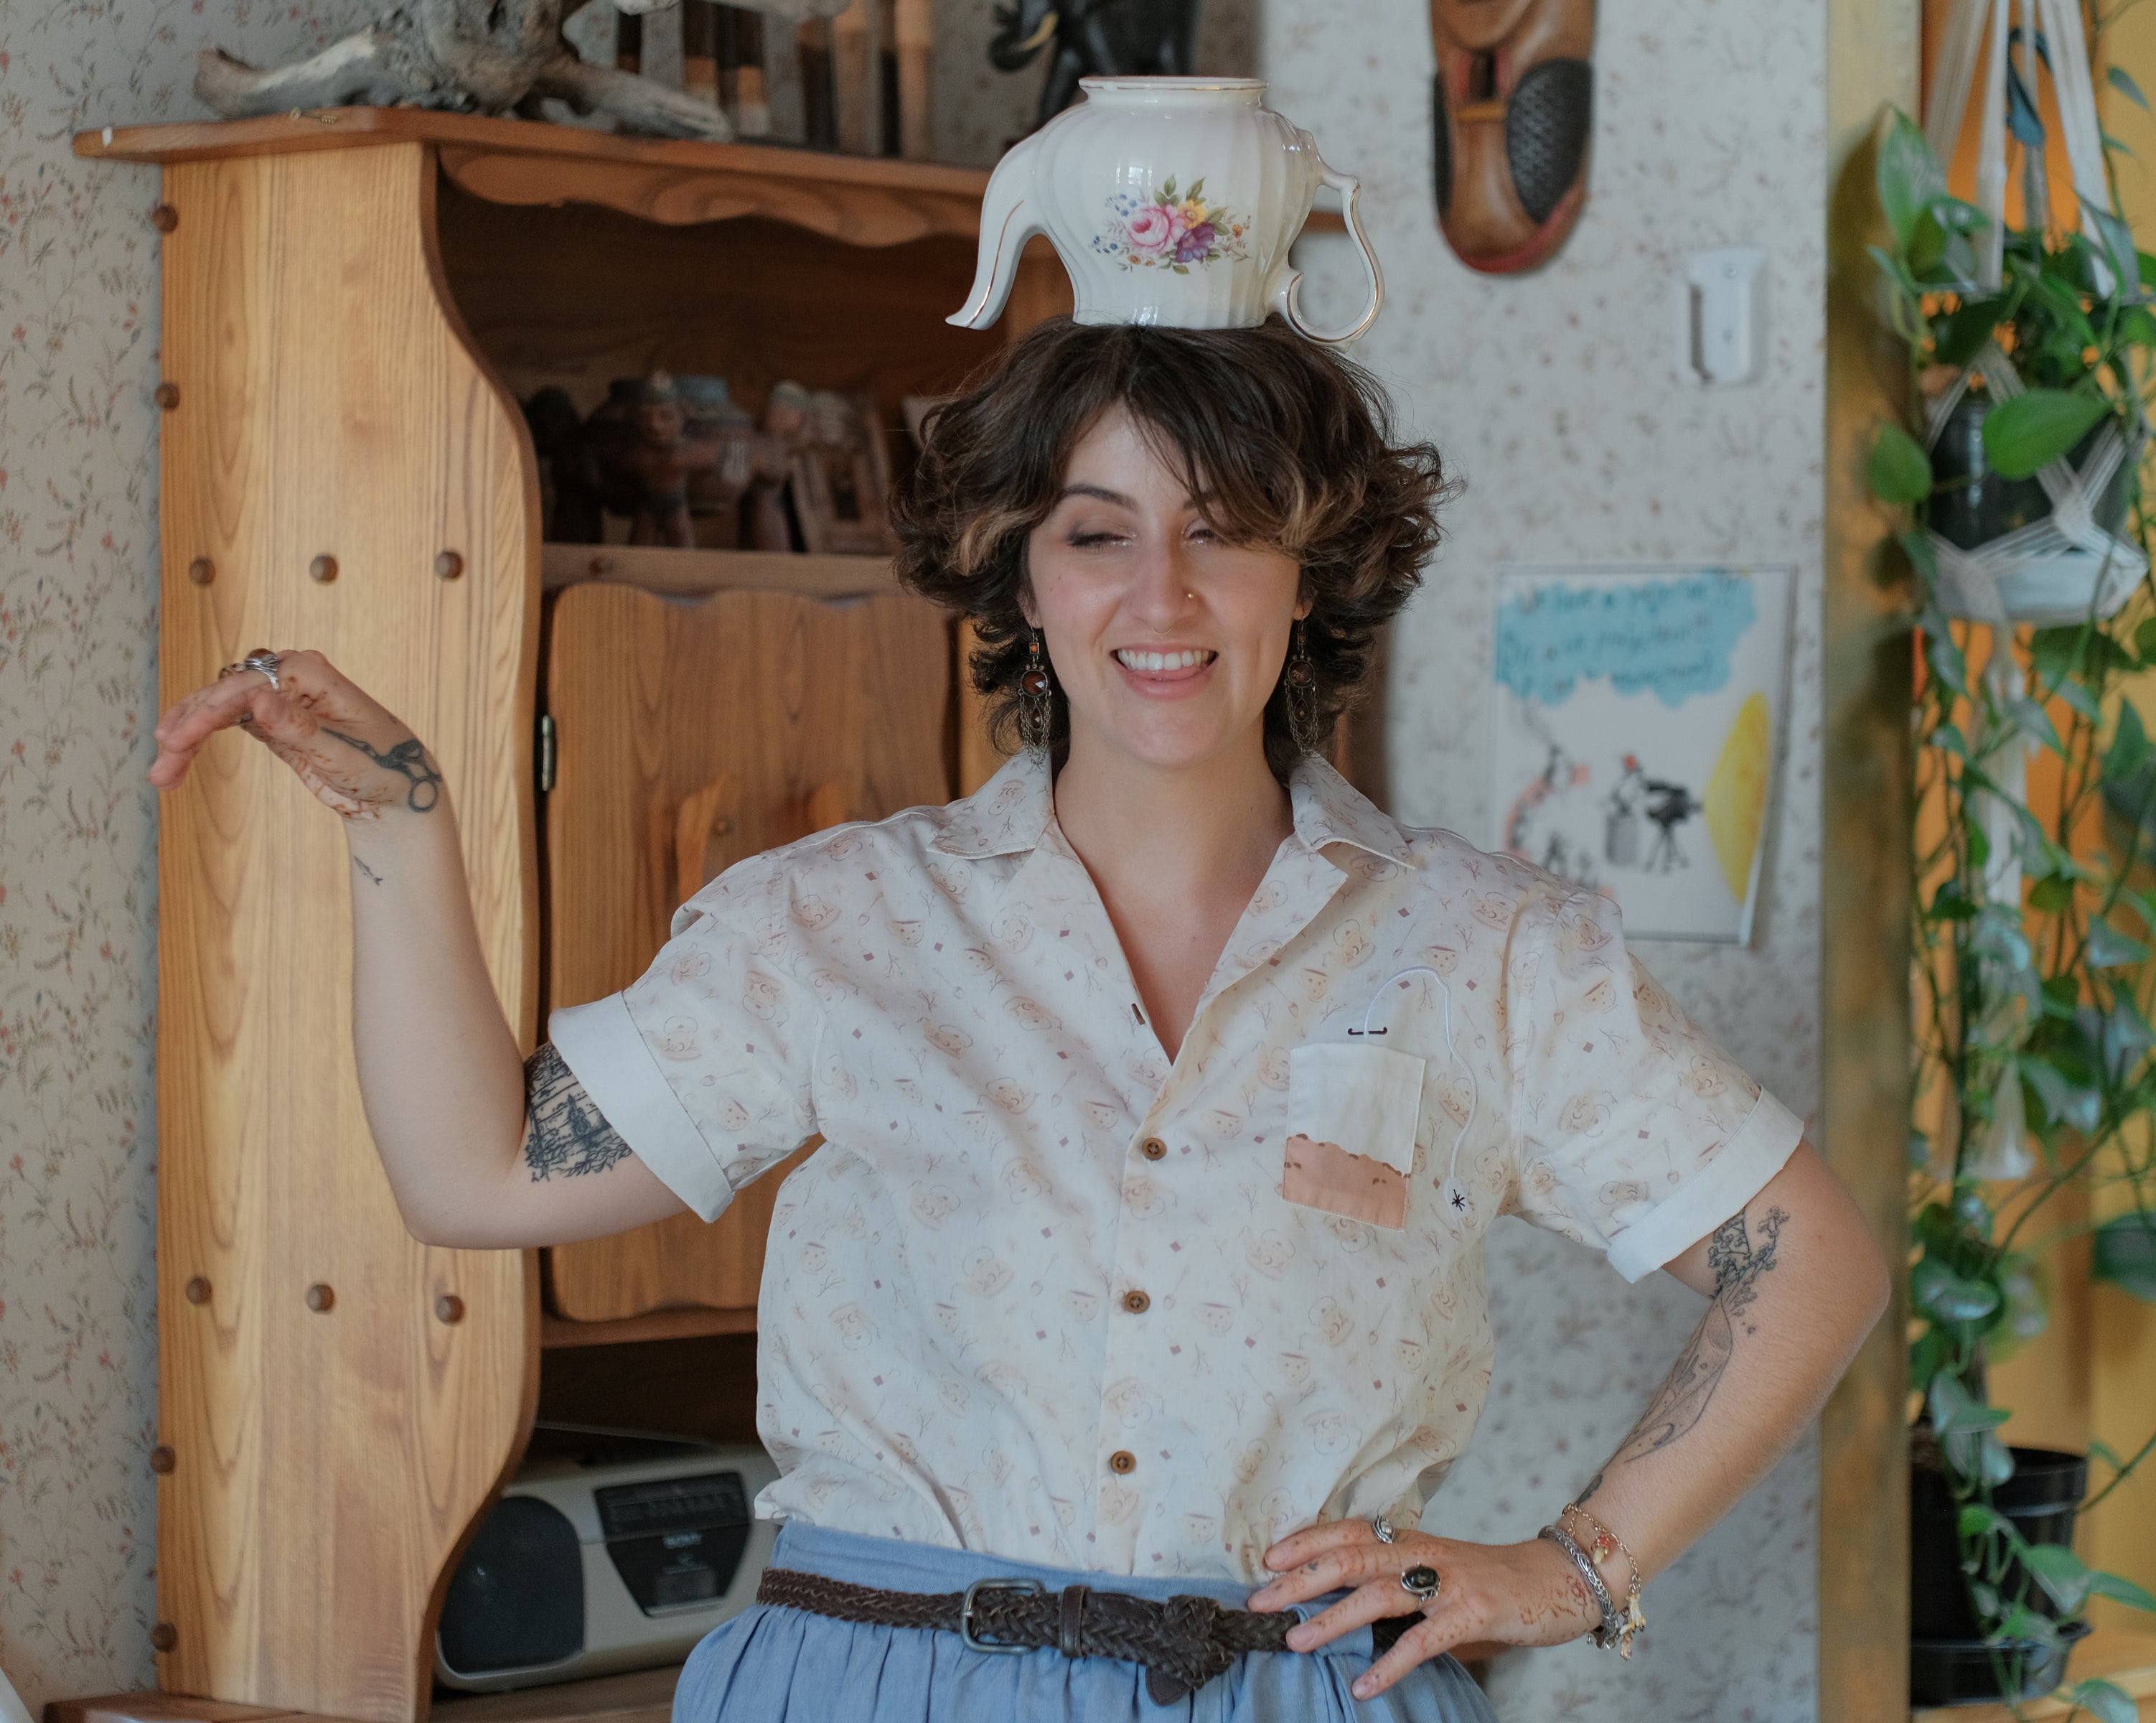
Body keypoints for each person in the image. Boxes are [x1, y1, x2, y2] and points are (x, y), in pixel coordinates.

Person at [146, 320, 1890, 1721]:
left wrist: (1571, 1566)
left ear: (1313, 572)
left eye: (1223, 532)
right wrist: (399, 819)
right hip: (868, 1680)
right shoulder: (833, 923)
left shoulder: (1492, 950)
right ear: (1019, 575)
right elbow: (476, 1173)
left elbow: (1806, 1258)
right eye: (1098, 534)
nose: (1161, 600)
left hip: (1288, 1693)